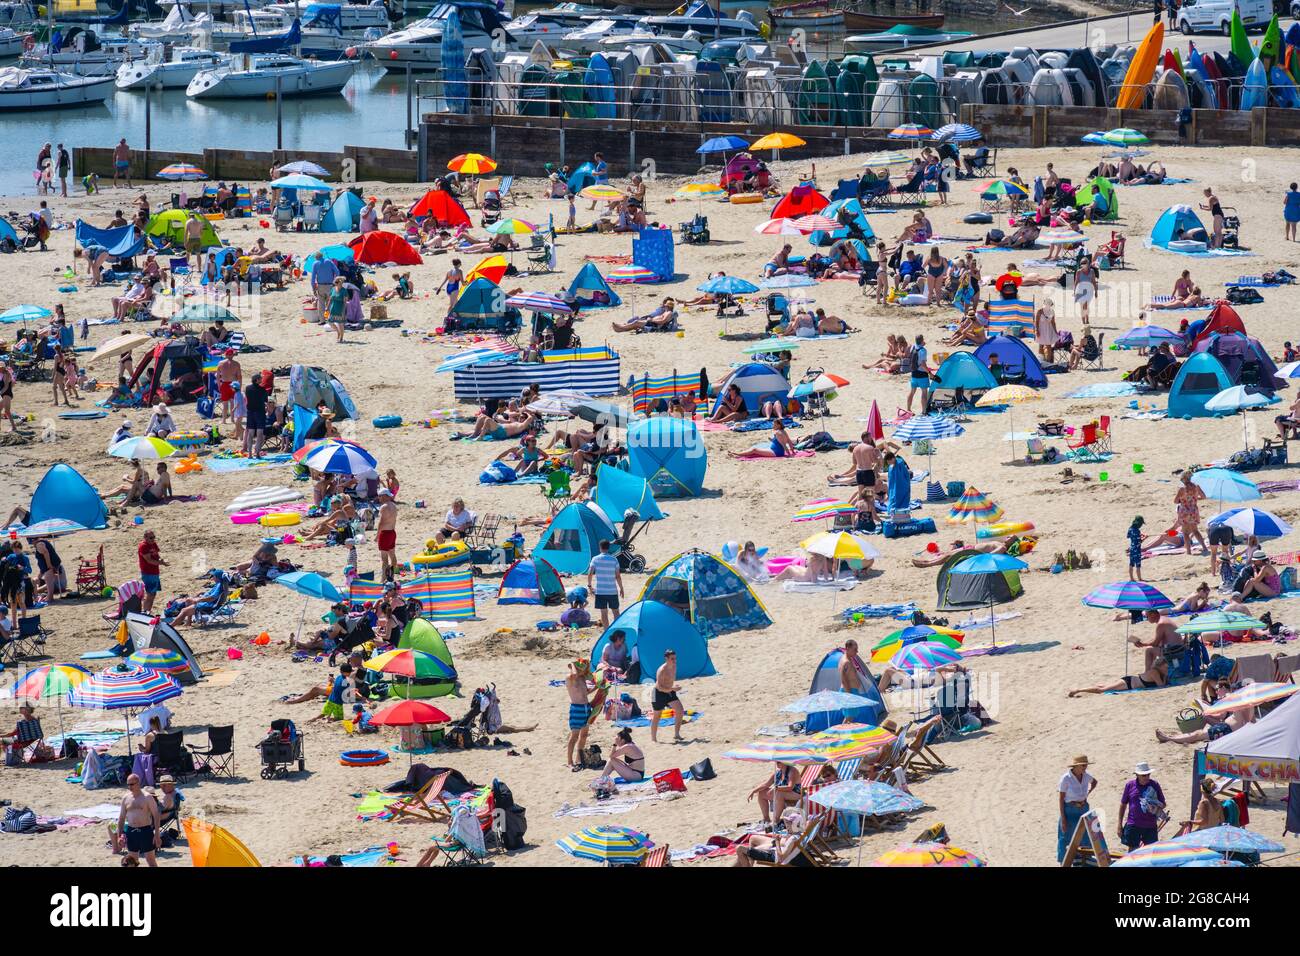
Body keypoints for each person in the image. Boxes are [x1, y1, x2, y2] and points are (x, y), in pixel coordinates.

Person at [1118, 762, 1166, 851]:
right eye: (1144, 775)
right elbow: (1123, 804)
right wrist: (1119, 825)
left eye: (1148, 774)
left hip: (1150, 825)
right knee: (1132, 852)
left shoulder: (1155, 785)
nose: (1147, 777)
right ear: (1137, 775)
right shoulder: (1130, 785)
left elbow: (1163, 804)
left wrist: (1154, 806)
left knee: (1151, 852)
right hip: (1133, 824)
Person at [1057, 755, 1097, 863]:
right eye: (1083, 765)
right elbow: (1061, 799)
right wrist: (1064, 819)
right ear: (1076, 766)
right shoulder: (1066, 778)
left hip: (1083, 808)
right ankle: (1064, 862)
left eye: (1086, 765)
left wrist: (1087, 793)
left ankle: (1083, 861)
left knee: (1085, 835)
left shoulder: (1086, 775)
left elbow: (1095, 782)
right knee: (1066, 836)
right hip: (1070, 809)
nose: (1085, 767)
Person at [115, 774, 160, 867]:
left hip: (145, 831)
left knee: (151, 860)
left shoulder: (147, 797)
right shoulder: (126, 798)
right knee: (132, 862)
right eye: (128, 784)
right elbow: (121, 818)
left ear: (138, 783)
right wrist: (119, 836)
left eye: (132, 784)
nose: (129, 787)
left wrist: (157, 835)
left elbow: (156, 815)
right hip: (131, 832)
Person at [1067, 655, 1168, 696]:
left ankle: (1090, 687)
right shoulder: (1154, 672)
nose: (1167, 668)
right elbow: (1161, 686)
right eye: (1166, 666)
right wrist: (1166, 675)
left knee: (1105, 687)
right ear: (1161, 666)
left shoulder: (1157, 672)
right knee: (1103, 690)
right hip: (1128, 683)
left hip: (1130, 682)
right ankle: (1078, 690)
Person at [748, 761, 801, 828]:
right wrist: (754, 791)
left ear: (785, 762)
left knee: (779, 793)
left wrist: (776, 788)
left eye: (778, 762)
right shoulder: (778, 772)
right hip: (783, 794)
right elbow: (766, 784)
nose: (776, 764)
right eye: (776, 762)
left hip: (796, 794)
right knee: (762, 793)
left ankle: (776, 820)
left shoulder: (792, 770)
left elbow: (790, 787)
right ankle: (766, 819)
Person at [650, 649, 685, 743]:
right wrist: (673, 689)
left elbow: (670, 681)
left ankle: (676, 734)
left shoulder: (674, 666)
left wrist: (674, 687)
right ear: (666, 659)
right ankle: (653, 739)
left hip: (669, 691)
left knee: (680, 710)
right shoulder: (662, 670)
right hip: (658, 694)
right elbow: (660, 687)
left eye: (675, 658)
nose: (674, 661)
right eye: (672, 659)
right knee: (657, 716)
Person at [586, 538, 623, 628]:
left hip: (600, 591)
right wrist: (621, 588)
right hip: (612, 590)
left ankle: (606, 631)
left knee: (604, 612)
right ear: (608, 547)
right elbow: (618, 576)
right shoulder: (614, 560)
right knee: (616, 611)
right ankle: (616, 629)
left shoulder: (595, 559)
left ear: (600, 547)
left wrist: (590, 586)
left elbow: (590, 573)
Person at [565, 659, 593, 770]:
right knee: (574, 736)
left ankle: (579, 758)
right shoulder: (570, 677)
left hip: (586, 708)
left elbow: (585, 693)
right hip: (576, 709)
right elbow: (574, 674)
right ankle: (569, 761)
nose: (585, 670)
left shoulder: (582, 678)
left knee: (584, 735)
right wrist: (572, 664)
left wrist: (598, 688)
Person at [1174, 471, 1207, 557]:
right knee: (1195, 530)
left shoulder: (1182, 489)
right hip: (1194, 510)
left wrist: (1182, 500)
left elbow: (1175, 501)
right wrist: (1195, 499)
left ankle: (1188, 551)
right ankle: (1204, 547)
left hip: (1184, 511)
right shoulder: (1196, 487)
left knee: (1185, 532)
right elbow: (1203, 497)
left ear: (1183, 479)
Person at [729, 418, 794, 458]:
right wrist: (793, 451)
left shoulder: (778, 433)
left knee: (754, 450)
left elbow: (783, 445)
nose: (773, 426)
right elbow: (789, 441)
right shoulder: (783, 431)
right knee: (756, 449)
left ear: (779, 425)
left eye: (774, 425)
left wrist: (789, 455)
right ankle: (739, 453)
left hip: (776, 452)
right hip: (777, 451)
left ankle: (737, 454)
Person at [137, 530, 166, 613]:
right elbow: (149, 560)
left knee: (153, 594)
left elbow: (157, 556)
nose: (153, 539)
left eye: (154, 537)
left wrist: (161, 560)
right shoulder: (143, 546)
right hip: (148, 573)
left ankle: (147, 611)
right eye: (151, 537)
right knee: (150, 594)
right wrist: (161, 563)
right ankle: (145, 611)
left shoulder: (153, 544)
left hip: (154, 572)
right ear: (145, 537)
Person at [375, 487, 398, 583]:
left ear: (384, 496)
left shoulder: (384, 507)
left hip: (385, 533)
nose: (379, 498)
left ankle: (383, 579)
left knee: (384, 559)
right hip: (392, 532)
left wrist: (377, 535)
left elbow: (381, 523)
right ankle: (391, 576)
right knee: (392, 555)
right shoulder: (394, 505)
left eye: (380, 496)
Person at [906, 334, 931, 415]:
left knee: (912, 391)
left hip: (914, 373)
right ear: (922, 340)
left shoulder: (912, 347)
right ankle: (924, 411)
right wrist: (929, 373)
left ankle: (908, 409)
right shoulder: (923, 351)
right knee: (924, 392)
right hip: (922, 374)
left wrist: (921, 344)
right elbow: (923, 364)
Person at [215, 348, 241, 423]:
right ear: (233, 355)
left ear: (226, 355)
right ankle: (232, 419)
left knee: (225, 403)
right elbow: (239, 376)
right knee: (232, 403)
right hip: (234, 384)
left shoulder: (221, 363)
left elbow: (217, 376)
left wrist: (219, 385)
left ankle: (224, 420)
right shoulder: (236, 364)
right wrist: (240, 386)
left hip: (225, 384)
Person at [1127, 515, 1144, 582]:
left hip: (1131, 549)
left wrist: (1140, 535)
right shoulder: (1137, 531)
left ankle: (1131, 578)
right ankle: (1139, 578)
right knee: (1138, 565)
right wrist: (1145, 538)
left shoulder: (1130, 528)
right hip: (1137, 550)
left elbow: (1128, 536)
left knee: (1131, 564)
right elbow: (1139, 541)